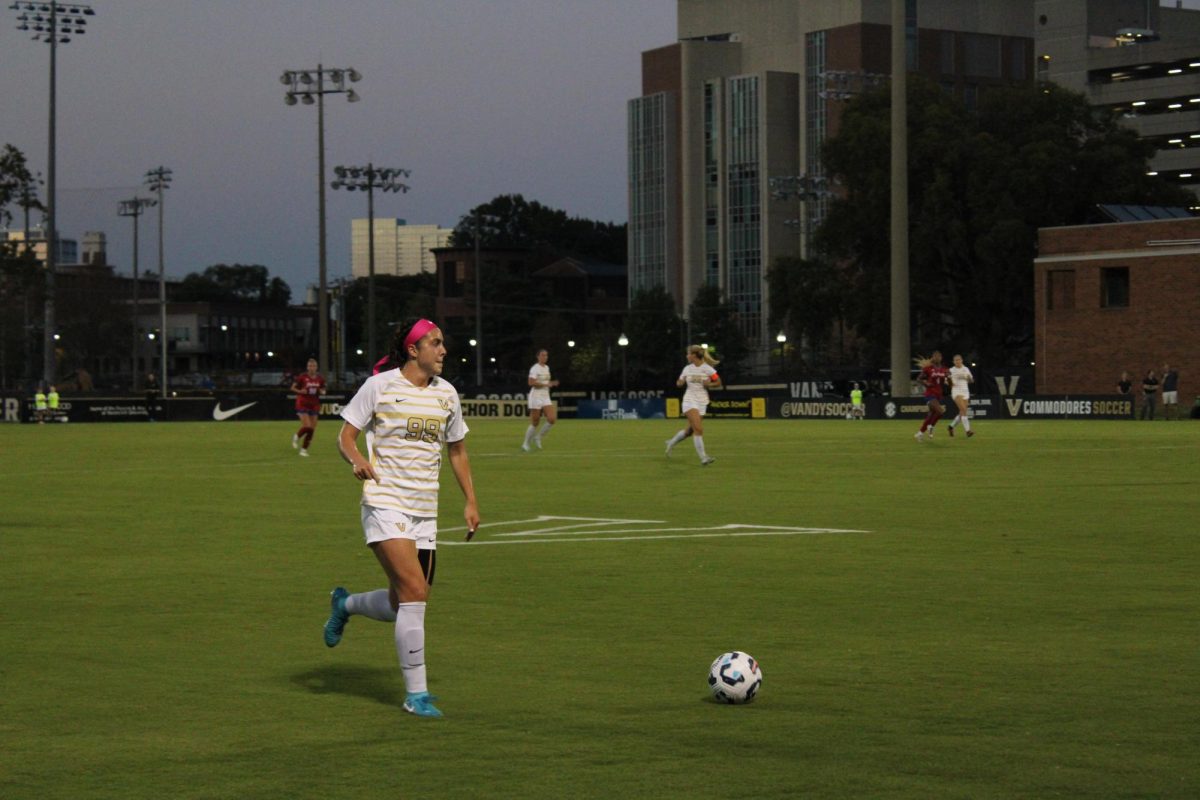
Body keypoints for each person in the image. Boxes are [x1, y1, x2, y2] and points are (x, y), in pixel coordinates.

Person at [323, 318, 480, 719]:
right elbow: (345, 436)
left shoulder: (447, 394)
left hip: (425, 511)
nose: (443, 350)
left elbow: (457, 451)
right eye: (436, 343)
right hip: (384, 502)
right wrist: (357, 461)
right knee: (415, 592)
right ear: (414, 350)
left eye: (443, 343)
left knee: (401, 601)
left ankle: (347, 605)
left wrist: (470, 502)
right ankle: (417, 694)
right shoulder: (379, 386)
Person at [664, 345, 721, 465]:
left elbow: (718, 382)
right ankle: (704, 458)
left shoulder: (708, 369)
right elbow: (680, 381)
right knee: (699, 429)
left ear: (694, 355)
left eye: (688, 353)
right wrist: (680, 382)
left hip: (702, 401)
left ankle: (671, 442)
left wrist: (709, 384)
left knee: (690, 431)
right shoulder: (687, 369)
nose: (687, 356)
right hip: (689, 401)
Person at [521, 348, 559, 451]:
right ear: (538, 356)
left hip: (545, 396)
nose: (545, 357)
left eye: (546, 355)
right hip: (536, 396)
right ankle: (526, 443)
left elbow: (546, 382)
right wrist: (546, 384)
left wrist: (551, 383)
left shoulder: (547, 367)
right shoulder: (534, 368)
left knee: (552, 419)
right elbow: (531, 383)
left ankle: (538, 438)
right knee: (535, 422)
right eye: (542, 355)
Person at [290, 358, 326, 456]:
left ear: (316, 367)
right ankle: (297, 436)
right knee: (307, 426)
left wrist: (322, 392)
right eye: (310, 366)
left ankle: (303, 450)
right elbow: (292, 387)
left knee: (312, 429)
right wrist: (300, 391)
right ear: (307, 367)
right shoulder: (302, 377)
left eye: (313, 366)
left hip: (314, 404)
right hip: (302, 403)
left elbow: (323, 390)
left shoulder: (320, 379)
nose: (312, 368)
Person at [914, 351, 949, 442]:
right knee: (940, 411)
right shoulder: (928, 369)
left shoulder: (944, 369)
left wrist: (949, 380)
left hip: (938, 395)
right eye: (935, 356)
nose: (937, 358)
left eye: (938, 356)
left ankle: (920, 434)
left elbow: (949, 381)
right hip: (930, 394)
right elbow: (918, 379)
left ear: (941, 358)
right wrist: (926, 383)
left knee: (931, 415)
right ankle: (931, 426)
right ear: (932, 358)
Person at [945, 355, 975, 438]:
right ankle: (968, 431)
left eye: (959, 360)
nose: (957, 361)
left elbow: (971, 380)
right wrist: (950, 382)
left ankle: (950, 427)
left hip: (965, 392)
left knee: (962, 412)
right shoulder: (951, 370)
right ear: (953, 362)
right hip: (956, 392)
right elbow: (947, 382)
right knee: (964, 410)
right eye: (955, 360)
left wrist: (969, 378)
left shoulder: (966, 369)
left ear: (962, 360)